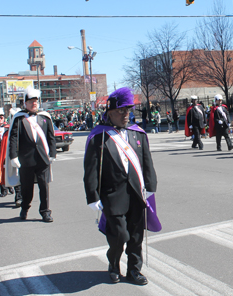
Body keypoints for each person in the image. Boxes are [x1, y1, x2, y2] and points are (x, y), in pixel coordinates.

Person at [84, 87, 157, 285]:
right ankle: (114, 263)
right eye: (121, 111)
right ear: (109, 112)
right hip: (112, 194)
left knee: (135, 236)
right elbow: (90, 170)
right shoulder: (99, 136)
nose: (126, 115)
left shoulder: (137, 133)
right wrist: (93, 196)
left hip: (136, 192)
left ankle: (134, 270)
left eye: (128, 110)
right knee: (119, 235)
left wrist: (151, 186)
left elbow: (147, 162)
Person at [7, 88, 56, 222]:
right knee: (27, 188)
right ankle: (25, 207)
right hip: (26, 159)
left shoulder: (45, 117)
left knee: (44, 187)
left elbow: (51, 137)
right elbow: (13, 138)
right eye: (30, 102)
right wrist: (13, 156)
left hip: (42, 159)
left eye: (35, 101)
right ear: (25, 103)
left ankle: (45, 212)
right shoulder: (19, 118)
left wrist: (52, 153)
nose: (33, 104)